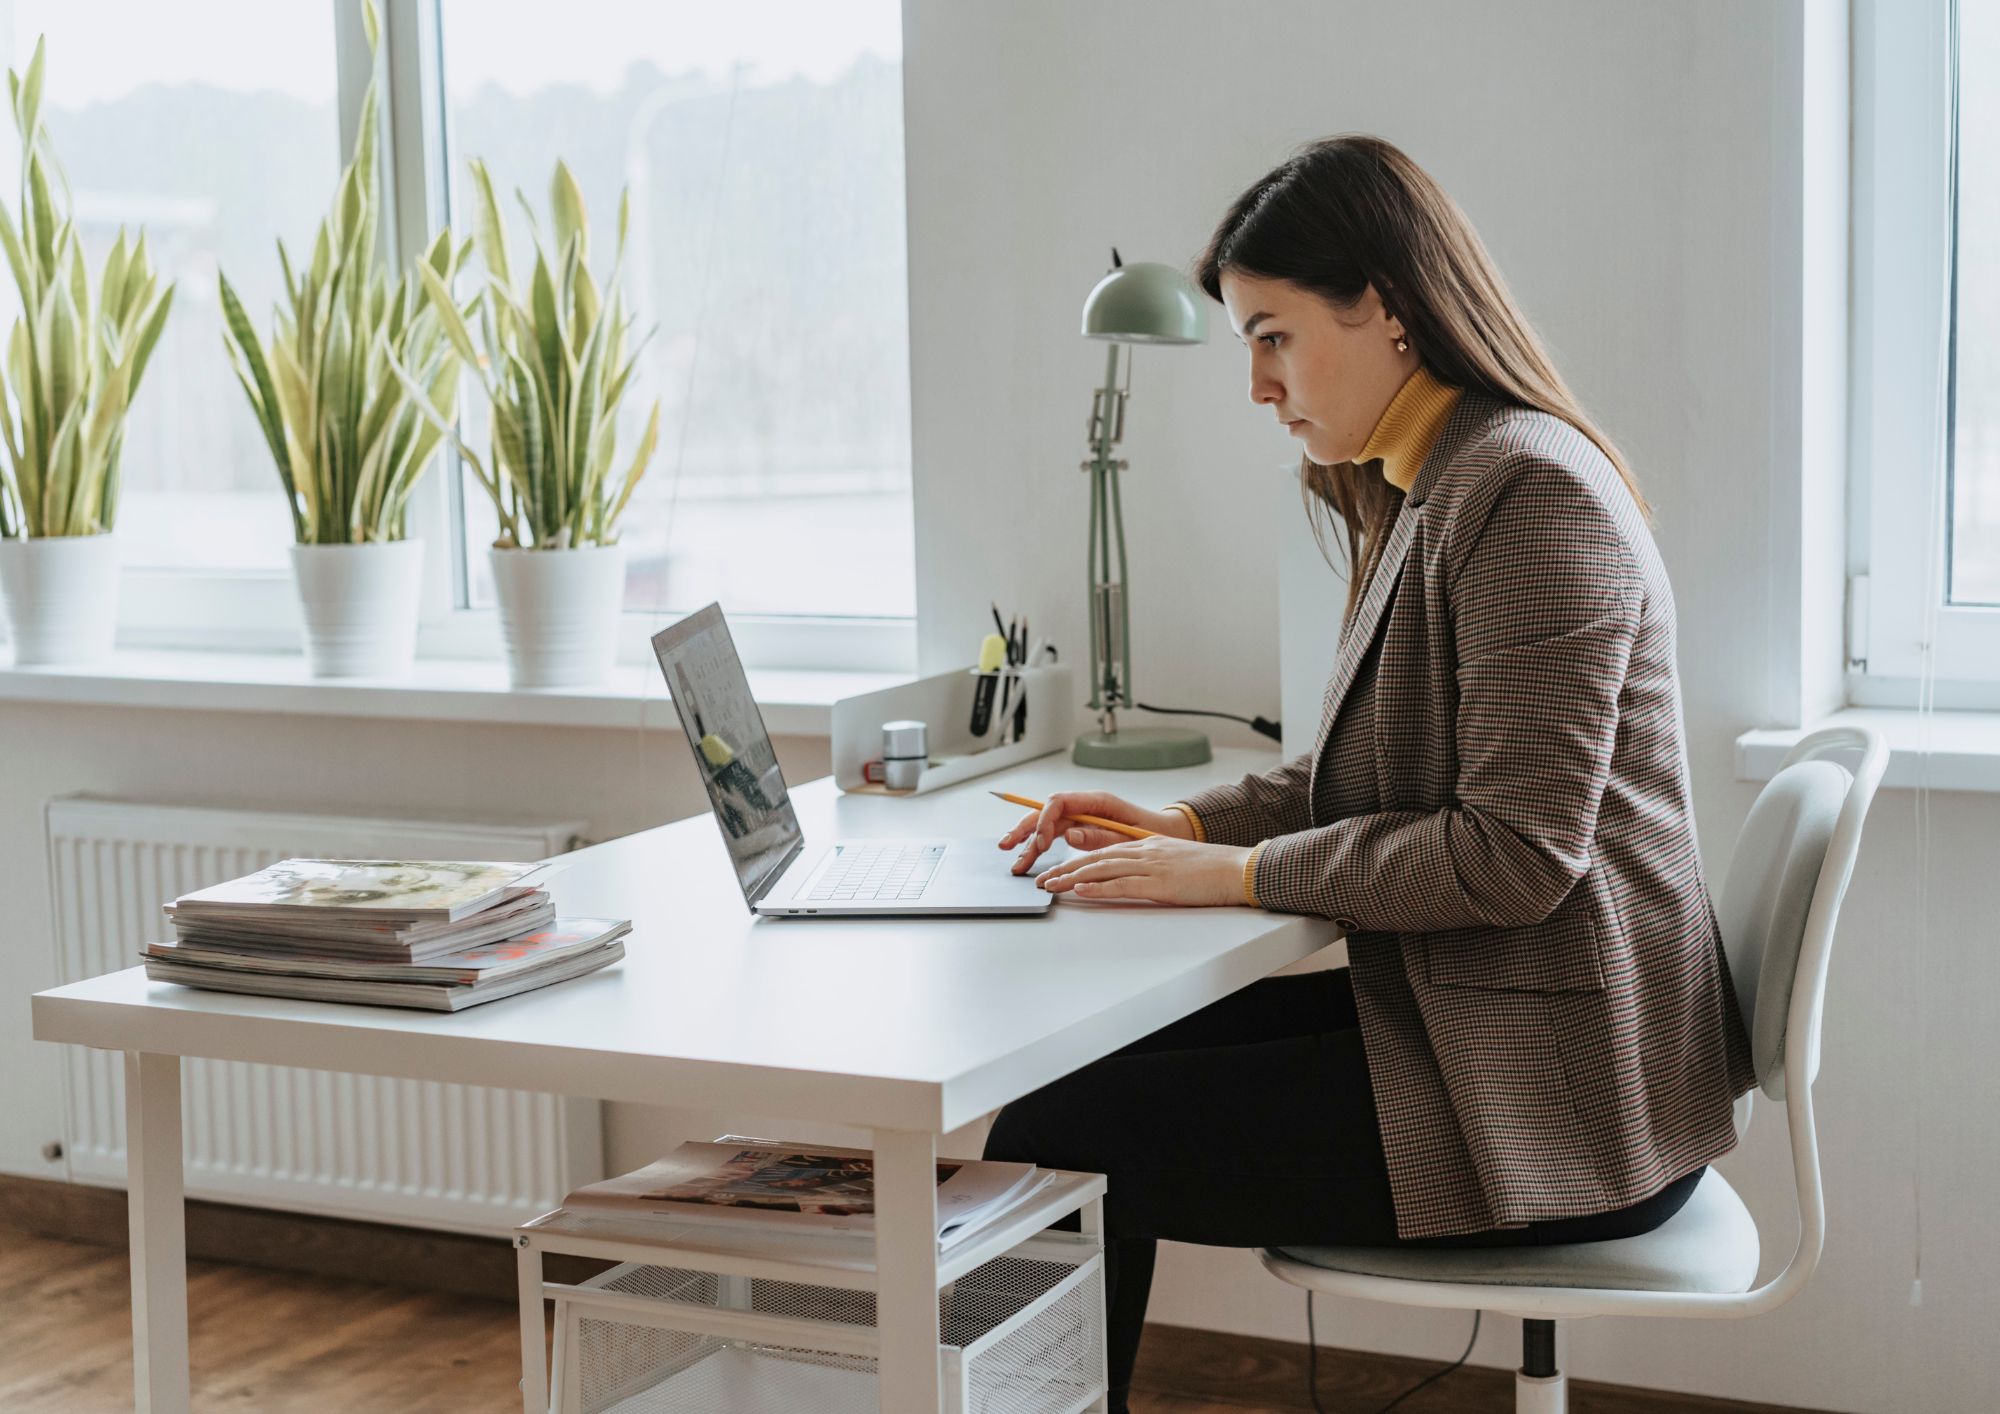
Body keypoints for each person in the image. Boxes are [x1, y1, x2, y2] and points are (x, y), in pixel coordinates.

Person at [984, 135, 1755, 1413]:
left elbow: (1511, 856)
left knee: (1055, 1138)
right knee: (1061, 1089)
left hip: (1564, 1095)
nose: (1254, 385)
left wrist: (1236, 875)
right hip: (1491, 1024)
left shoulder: (1526, 493)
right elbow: (1366, 772)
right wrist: (1180, 822)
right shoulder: (1425, 484)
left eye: (1272, 337)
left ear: (1385, 308)